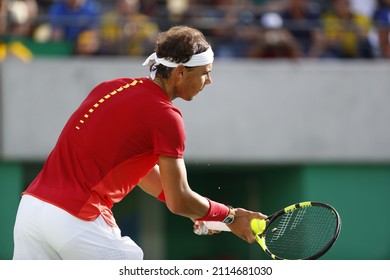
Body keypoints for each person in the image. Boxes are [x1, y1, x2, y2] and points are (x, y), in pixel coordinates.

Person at [13, 25, 267, 260]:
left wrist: (201, 212)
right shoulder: (167, 116)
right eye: (205, 73)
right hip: (77, 216)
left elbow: (143, 174)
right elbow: (178, 200)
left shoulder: (110, 87)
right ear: (180, 73)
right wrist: (231, 216)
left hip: (31, 212)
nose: (209, 81)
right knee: (133, 264)